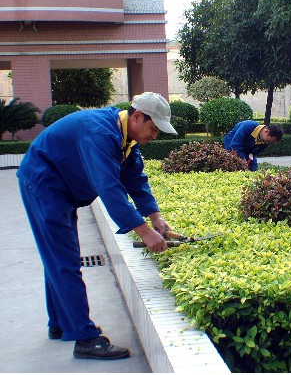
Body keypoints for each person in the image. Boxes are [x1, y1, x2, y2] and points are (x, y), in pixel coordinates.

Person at [17, 92, 177, 360]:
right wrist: (144, 231)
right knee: (65, 261)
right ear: (138, 116)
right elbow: (109, 188)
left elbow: (135, 178)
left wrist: (155, 217)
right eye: (154, 128)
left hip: (61, 187)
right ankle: (85, 338)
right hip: (45, 185)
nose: (155, 136)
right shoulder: (100, 133)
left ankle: (60, 323)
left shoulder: (125, 135)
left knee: (58, 258)